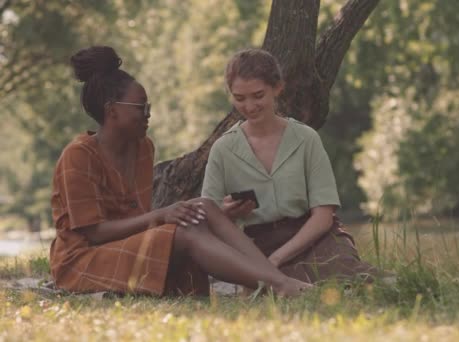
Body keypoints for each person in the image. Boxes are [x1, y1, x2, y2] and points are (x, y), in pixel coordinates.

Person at [49, 46, 311, 297]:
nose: (148, 114)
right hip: (83, 260)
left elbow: (138, 218)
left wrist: (214, 213)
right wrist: (163, 215)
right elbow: (95, 233)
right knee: (184, 231)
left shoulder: (142, 148)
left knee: (204, 208)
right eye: (141, 107)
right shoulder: (79, 155)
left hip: (126, 246)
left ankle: (275, 278)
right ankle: (278, 286)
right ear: (112, 111)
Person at [201, 48, 382, 284]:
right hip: (256, 245)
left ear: (277, 88)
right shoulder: (223, 149)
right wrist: (226, 213)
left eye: (258, 95)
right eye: (239, 98)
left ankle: (392, 282)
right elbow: (209, 219)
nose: (249, 106)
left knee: (344, 277)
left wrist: (275, 260)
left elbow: (323, 216)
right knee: (273, 285)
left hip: (315, 237)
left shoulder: (306, 139)